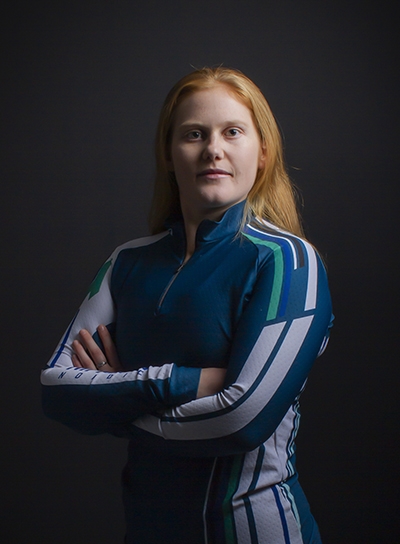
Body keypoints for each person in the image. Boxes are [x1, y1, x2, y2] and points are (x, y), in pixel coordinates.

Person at [41, 67, 333, 544]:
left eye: (232, 132)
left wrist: (116, 398)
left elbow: (242, 421)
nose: (213, 149)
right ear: (168, 153)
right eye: (194, 134)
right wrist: (192, 381)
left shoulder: (289, 262)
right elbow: (56, 390)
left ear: (262, 152)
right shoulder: (126, 261)